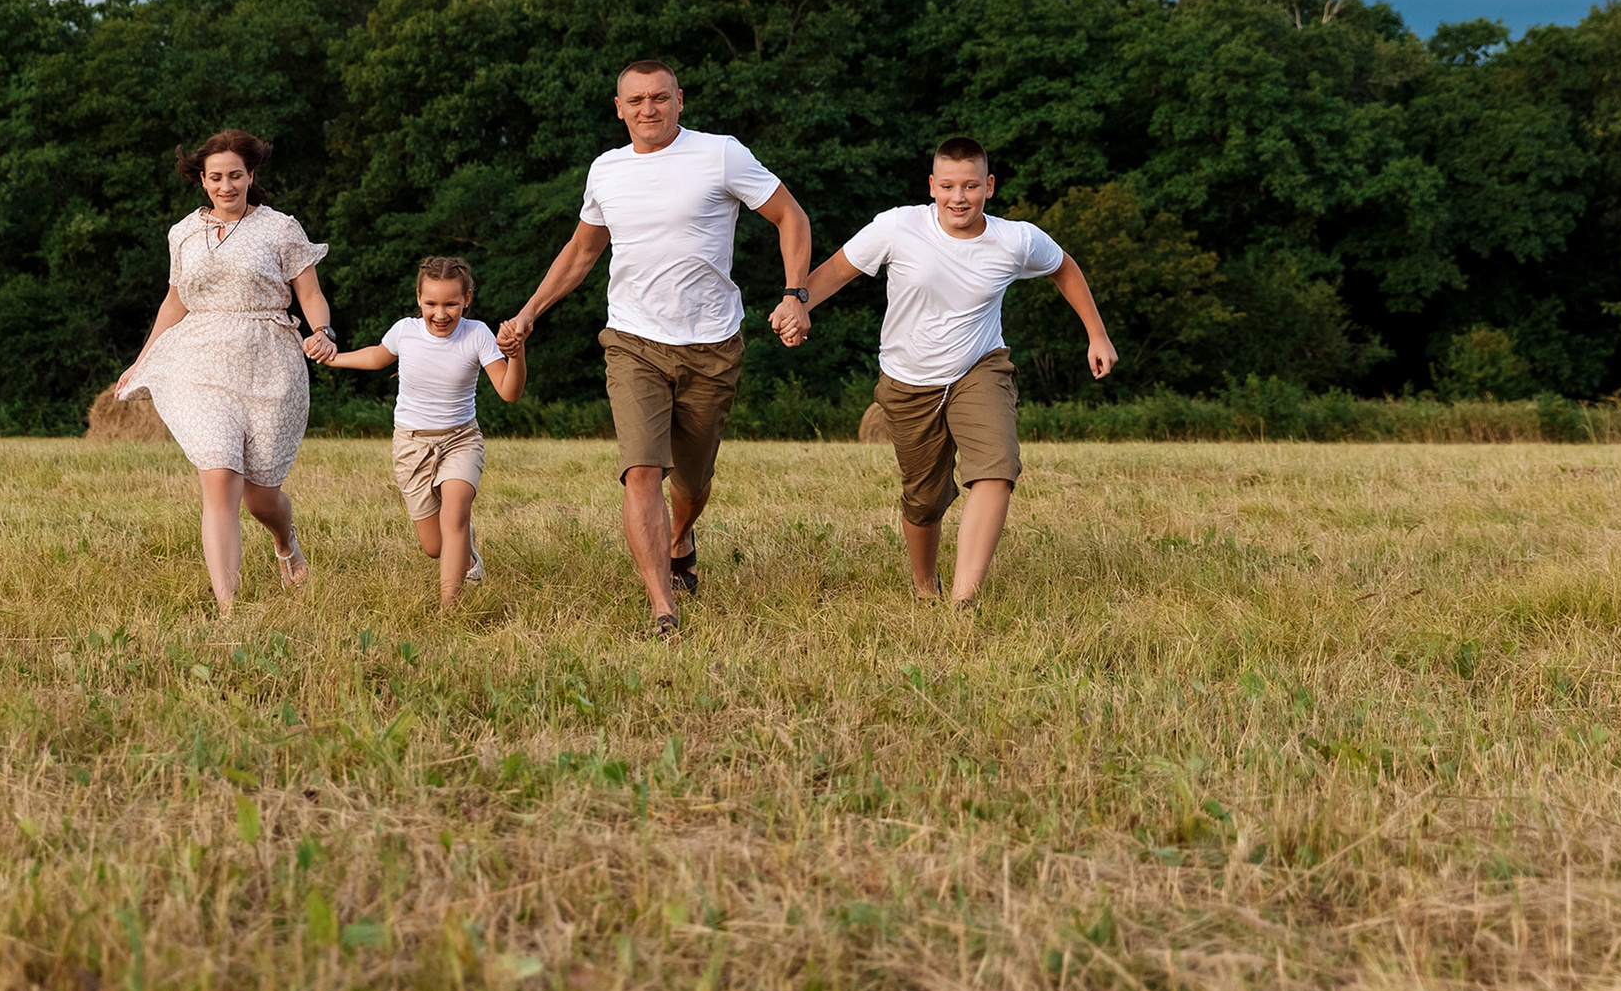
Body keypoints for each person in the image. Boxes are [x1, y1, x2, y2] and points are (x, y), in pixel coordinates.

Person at [496, 59, 813, 638]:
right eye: (636, 100)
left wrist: (796, 294)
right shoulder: (606, 170)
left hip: (712, 344)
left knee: (691, 482)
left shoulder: (720, 153)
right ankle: (663, 607)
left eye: (660, 98)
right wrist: (528, 311)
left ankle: (681, 534)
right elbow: (581, 252)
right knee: (642, 469)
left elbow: (789, 216)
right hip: (633, 341)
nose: (649, 109)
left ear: (680, 100)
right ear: (619, 108)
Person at [794, 137, 1117, 606]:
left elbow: (1064, 267)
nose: (958, 197)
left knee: (997, 468)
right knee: (924, 500)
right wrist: (797, 303)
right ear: (932, 186)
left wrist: (1097, 334)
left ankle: (964, 600)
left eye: (969, 186)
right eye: (947, 186)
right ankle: (925, 585)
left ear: (989, 186)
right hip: (907, 380)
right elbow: (839, 270)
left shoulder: (1015, 239)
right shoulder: (898, 227)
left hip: (979, 366)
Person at [112, 129, 340, 614]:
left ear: (250, 176)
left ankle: (286, 543)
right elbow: (174, 302)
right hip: (201, 358)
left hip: (269, 361)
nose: (226, 185)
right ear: (202, 180)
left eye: (235, 175)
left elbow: (310, 292)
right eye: (216, 177)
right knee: (219, 476)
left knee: (260, 498)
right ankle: (229, 611)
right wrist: (142, 359)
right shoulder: (183, 233)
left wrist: (323, 331)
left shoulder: (280, 229)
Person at [322, 256, 528, 608]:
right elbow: (375, 357)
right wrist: (333, 357)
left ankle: (450, 605)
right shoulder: (405, 331)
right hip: (412, 444)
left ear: (467, 299)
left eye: (451, 303)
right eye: (431, 303)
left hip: (460, 439)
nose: (441, 313)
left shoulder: (477, 334)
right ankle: (466, 551)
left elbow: (509, 393)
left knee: (456, 511)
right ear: (418, 298)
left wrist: (517, 355)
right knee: (435, 546)